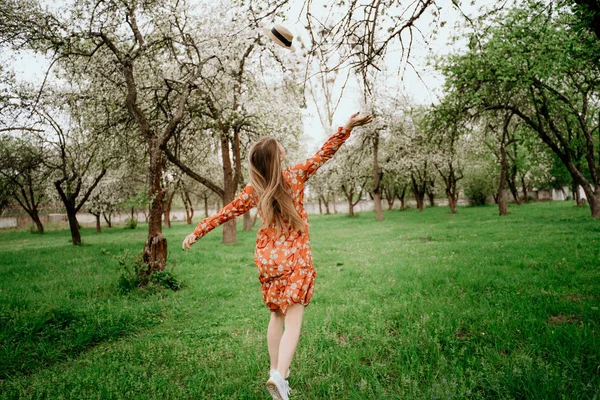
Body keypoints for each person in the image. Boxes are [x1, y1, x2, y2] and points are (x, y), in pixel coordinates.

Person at [182, 112, 373, 400]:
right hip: (294, 255)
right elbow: (325, 154)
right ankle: (280, 378)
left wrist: (196, 232)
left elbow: (226, 213)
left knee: (276, 316)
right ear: (277, 158)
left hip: (268, 257)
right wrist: (346, 128)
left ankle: (275, 371)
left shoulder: (254, 190)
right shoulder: (295, 175)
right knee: (293, 320)